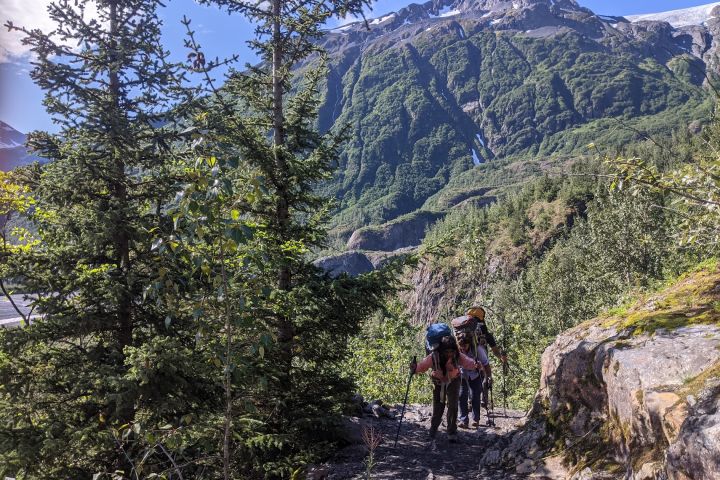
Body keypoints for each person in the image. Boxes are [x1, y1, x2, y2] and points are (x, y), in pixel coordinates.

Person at [410, 336, 490, 446]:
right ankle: (433, 430)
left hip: (454, 380)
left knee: (453, 406)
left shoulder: (457, 355)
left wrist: (476, 365)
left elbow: (467, 362)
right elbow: (423, 366)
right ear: (442, 350)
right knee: (438, 408)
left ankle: (452, 432)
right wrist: (415, 369)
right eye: (447, 351)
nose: (449, 354)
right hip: (438, 383)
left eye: (452, 351)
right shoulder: (434, 356)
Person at [457, 334, 491, 428]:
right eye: (461, 346)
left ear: (469, 343)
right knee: (461, 395)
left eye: (465, 346)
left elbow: (486, 363)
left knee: (475, 396)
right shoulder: (457, 350)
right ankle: (463, 420)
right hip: (462, 374)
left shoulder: (478, 350)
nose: (463, 348)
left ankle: (476, 419)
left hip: (476, 374)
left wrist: (489, 377)